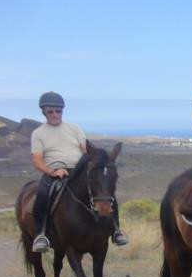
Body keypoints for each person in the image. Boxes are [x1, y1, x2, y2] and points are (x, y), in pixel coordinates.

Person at [30, 91, 128, 253]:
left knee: (106, 193)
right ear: (44, 112)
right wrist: (52, 171)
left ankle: (116, 230)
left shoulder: (73, 129)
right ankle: (41, 234)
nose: (55, 114)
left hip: (79, 170)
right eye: (50, 111)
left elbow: (85, 148)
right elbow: (37, 159)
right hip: (55, 171)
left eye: (58, 111)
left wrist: (98, 158)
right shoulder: (38, 133)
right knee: (42, 194)